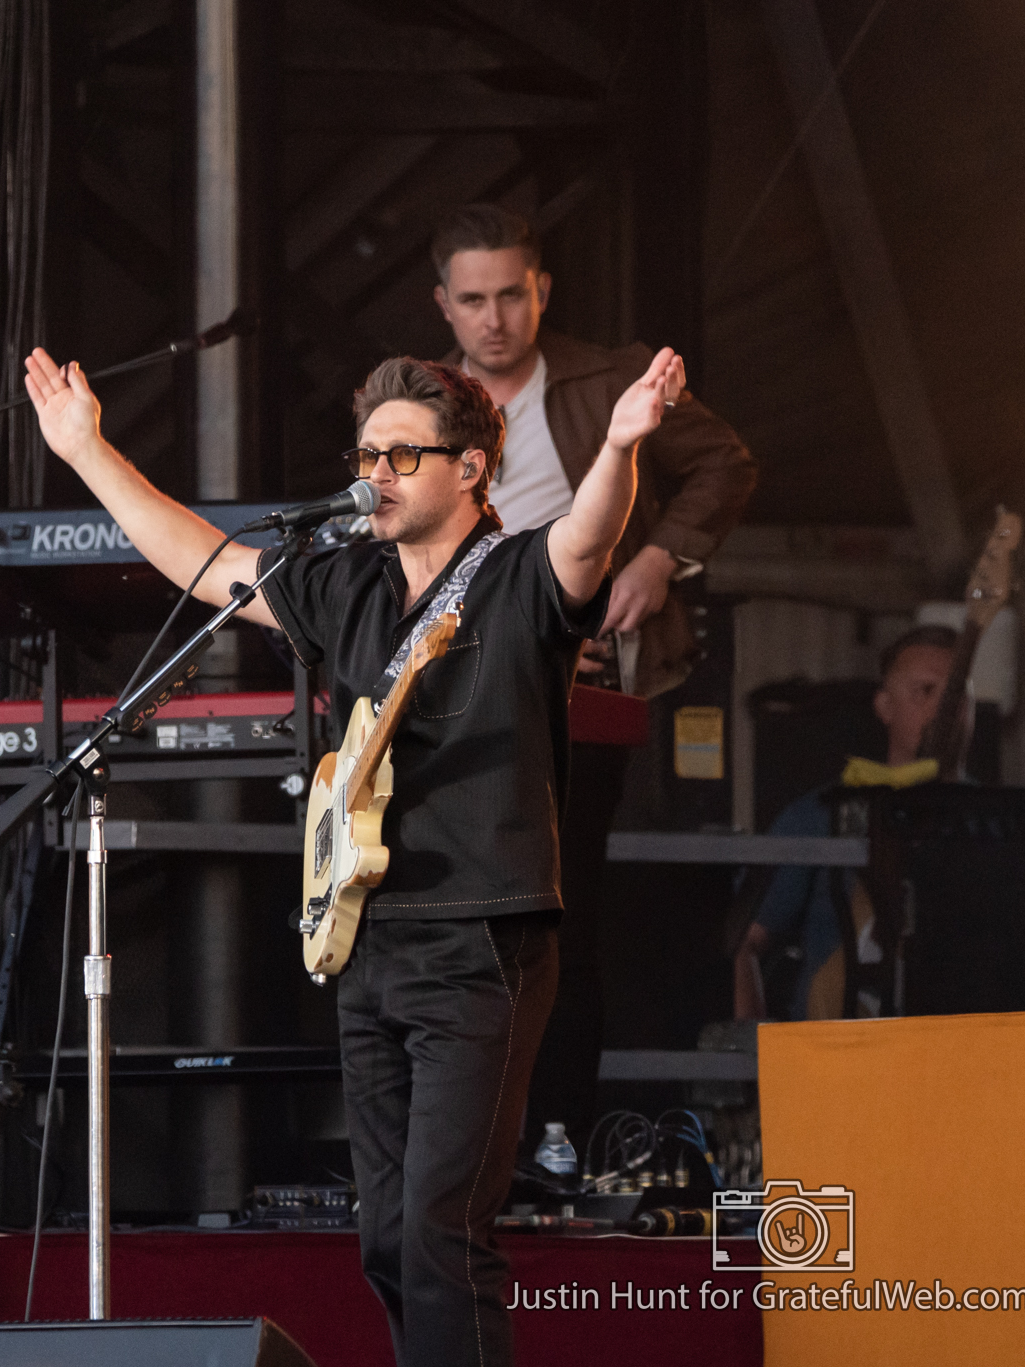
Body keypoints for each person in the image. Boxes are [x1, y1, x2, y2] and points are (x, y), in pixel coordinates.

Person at [22, 339, 680, 1366]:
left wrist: (621, 448)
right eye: (365, 451)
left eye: (401, 454)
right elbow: (210, 566)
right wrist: (86, 451)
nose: (372, 471)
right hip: (366, 943)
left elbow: (587, 541)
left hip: (481, 942)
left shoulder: (512, 575)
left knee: (437, 1230)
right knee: (383, 1233)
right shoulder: (350, 586)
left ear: (469, 467)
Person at [428, 202, 757, 1152]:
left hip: (577, 686)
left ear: (542, 292)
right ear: (443, 305)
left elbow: (726, 465)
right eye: (474, 299)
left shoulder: (609, 376)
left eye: (511, 296)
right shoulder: (417, 402)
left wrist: (658, 560)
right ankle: (461, 1144)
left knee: (559, 913)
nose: (494, 318)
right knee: (454, 919)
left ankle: (559, 1130)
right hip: (449, 694)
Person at [732, 625, 957, 1021]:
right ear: (885, 706)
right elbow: (743, 940)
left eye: (958, 694)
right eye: (925, 691)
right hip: (836, 1055)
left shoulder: (998, 823)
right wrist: (755, 1063)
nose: (944, 709)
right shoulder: (817, 816)